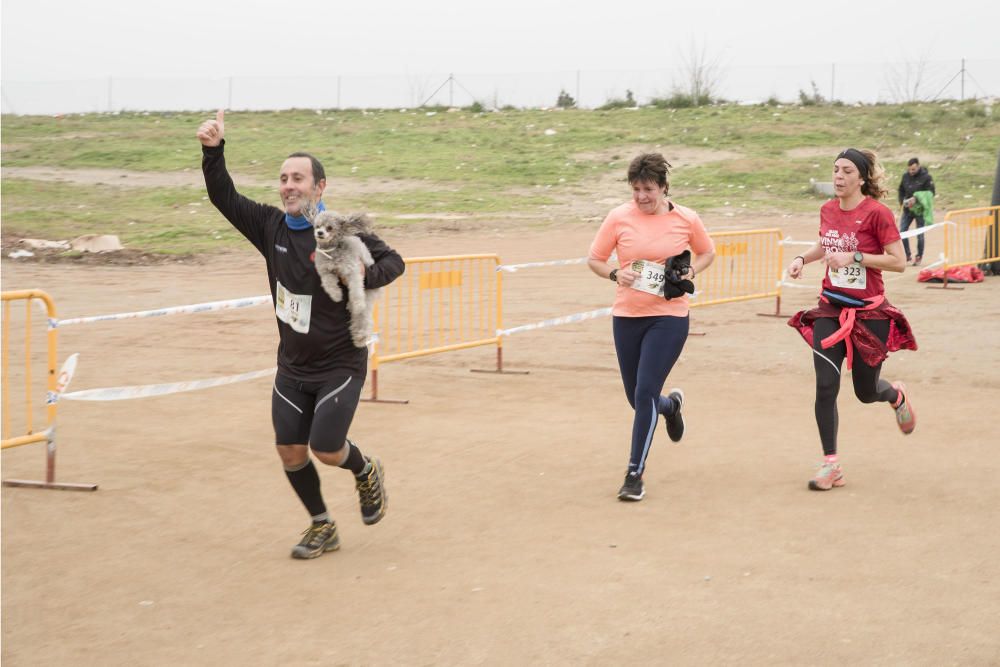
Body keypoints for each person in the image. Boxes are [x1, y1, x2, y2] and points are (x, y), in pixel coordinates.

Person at [197, 110, 405, 558]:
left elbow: (395, 263)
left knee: (327, 448)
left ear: (319, 188)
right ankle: (321, 525)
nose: (289, 186)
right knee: (290, 451)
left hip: (340, 364)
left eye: (299, 178)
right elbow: (223, 196)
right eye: (284, 178)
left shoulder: (344, 231)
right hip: (292, 366)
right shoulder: (269, 226)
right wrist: (213, 151)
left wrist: (357, 277)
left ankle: (365, 470)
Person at [787, 148, 918, 491]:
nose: (839, 177)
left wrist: (855, 257)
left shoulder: (877, 214)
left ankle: (896, 396)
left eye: (846, 171)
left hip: (869, 313)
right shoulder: (827, 209)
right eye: (835, 170)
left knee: (865, 391)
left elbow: (898, 261)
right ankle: (831, 465)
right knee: (825, 385)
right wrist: (803, 258)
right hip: (830, 308)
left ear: (861, 177)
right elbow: (825, 244)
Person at [588, 153, 716, 501]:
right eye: (636, 190)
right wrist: (616, 273)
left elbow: (707, 253)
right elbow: (595, 260)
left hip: (669, 316)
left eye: (648, 189)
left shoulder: (686, 218)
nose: (642, 196)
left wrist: (691, 272)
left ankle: (634, 474)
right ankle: (671, 407)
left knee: (644, 394)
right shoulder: (618, 217)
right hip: (628, 315)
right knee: (637, 398)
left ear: (663, 187)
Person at [897, 157, 936, 266]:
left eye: (913, 169)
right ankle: (907, 254)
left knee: (920, 234)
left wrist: (917, 198)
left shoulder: (927, 177)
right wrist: (902, 201)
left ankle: (919, 256)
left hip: (920, 210)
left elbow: (931, 193)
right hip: (907, 209)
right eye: (909, 169)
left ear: (918, 166)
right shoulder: (905, 176)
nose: (911, 172)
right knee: (902, 232)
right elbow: (901, 190)